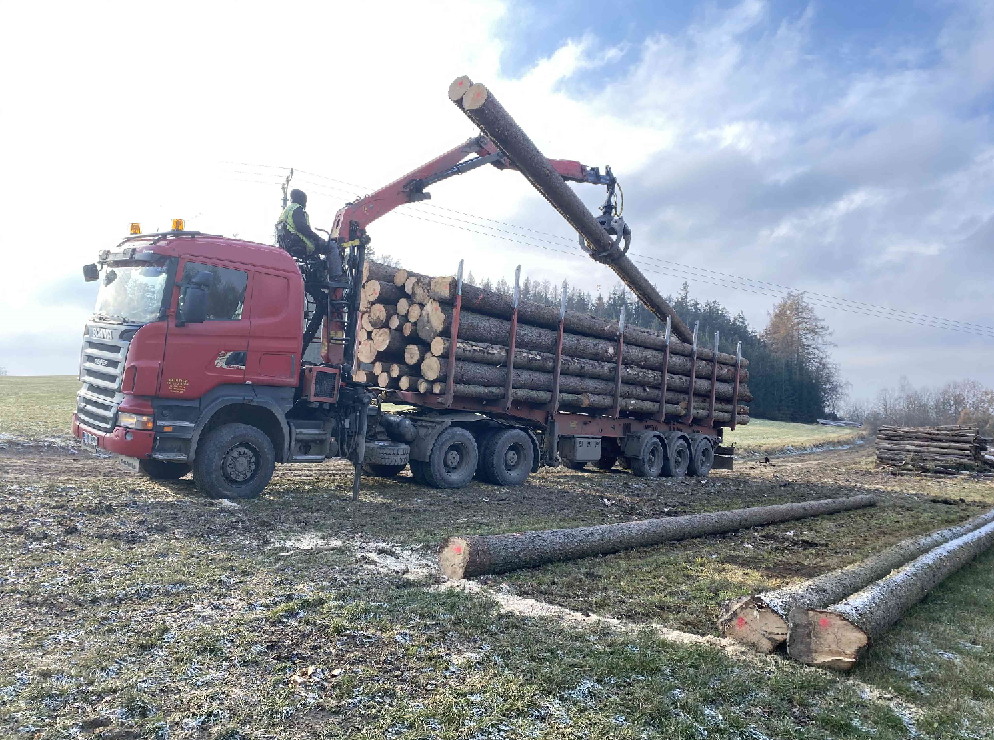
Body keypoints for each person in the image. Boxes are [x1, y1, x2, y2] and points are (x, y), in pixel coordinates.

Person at [275, 189, 344, 282]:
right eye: (305, 201)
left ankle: (319, 275)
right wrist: (318, 238)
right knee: (331, 246)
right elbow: (303, 228)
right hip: (300, 243)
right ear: (301, 199)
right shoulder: (297, 209)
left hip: (289, 244)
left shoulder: (286, 211)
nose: (305, 204)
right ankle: (336, 276)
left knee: (317, 258)